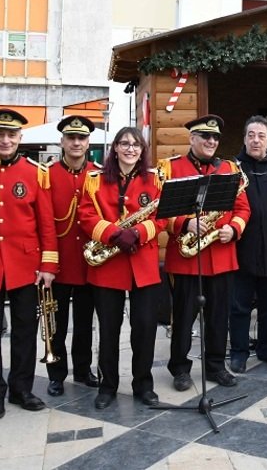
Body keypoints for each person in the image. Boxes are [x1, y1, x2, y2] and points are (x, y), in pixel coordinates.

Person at [0, 109, 58, 421]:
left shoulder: (36, 172)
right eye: (0, 134)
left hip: (26, 265)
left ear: (21, 138)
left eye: (12, 135)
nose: (5, 139)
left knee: (25, 329)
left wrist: (49, 264)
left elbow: (46, 224)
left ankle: (21, 388)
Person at [159, 115, 250, 390]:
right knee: (184, 317)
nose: (211, 142)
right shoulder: (171, 168)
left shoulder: (231, 169)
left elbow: (244, 208)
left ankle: (215, 366)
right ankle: (180, 369)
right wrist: (185, 223)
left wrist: (234, 228)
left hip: (221, 254)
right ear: (192, 139)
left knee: (218, 316)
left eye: (215, 138)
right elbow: (161, 213)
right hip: (186, 259)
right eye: (205, 137)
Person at [78, 127, 164, 409]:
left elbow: (163, 217)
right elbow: (86, 215)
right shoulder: (94, 179)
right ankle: (108, 386)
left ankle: (143, 385)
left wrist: (138, 233)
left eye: (136, 145)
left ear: (142, 150)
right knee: (109, 330)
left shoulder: (155, 179)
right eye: (124, 144)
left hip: (144, 264)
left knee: (145, 328)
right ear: (115, 148)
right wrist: (115, 234)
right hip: (109, 264)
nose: (130, 149)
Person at [229, 116, 267, 373]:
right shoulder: (232, 168)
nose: (256, 140)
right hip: (242, 248)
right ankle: (239, 352)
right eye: (251, 135)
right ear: (244, 138)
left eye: (261, 135)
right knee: (240, 305)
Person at [45, 116, 100, 397]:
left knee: (83, 323)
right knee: (57, 324)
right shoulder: (47, 174)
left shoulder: (98, 174)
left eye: (81, 138)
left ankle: (82, 369)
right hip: (58, 264)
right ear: (62, 142)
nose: (76, 143)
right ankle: (56, 374)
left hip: (89, 264)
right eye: (71, 138)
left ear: (88, 142)